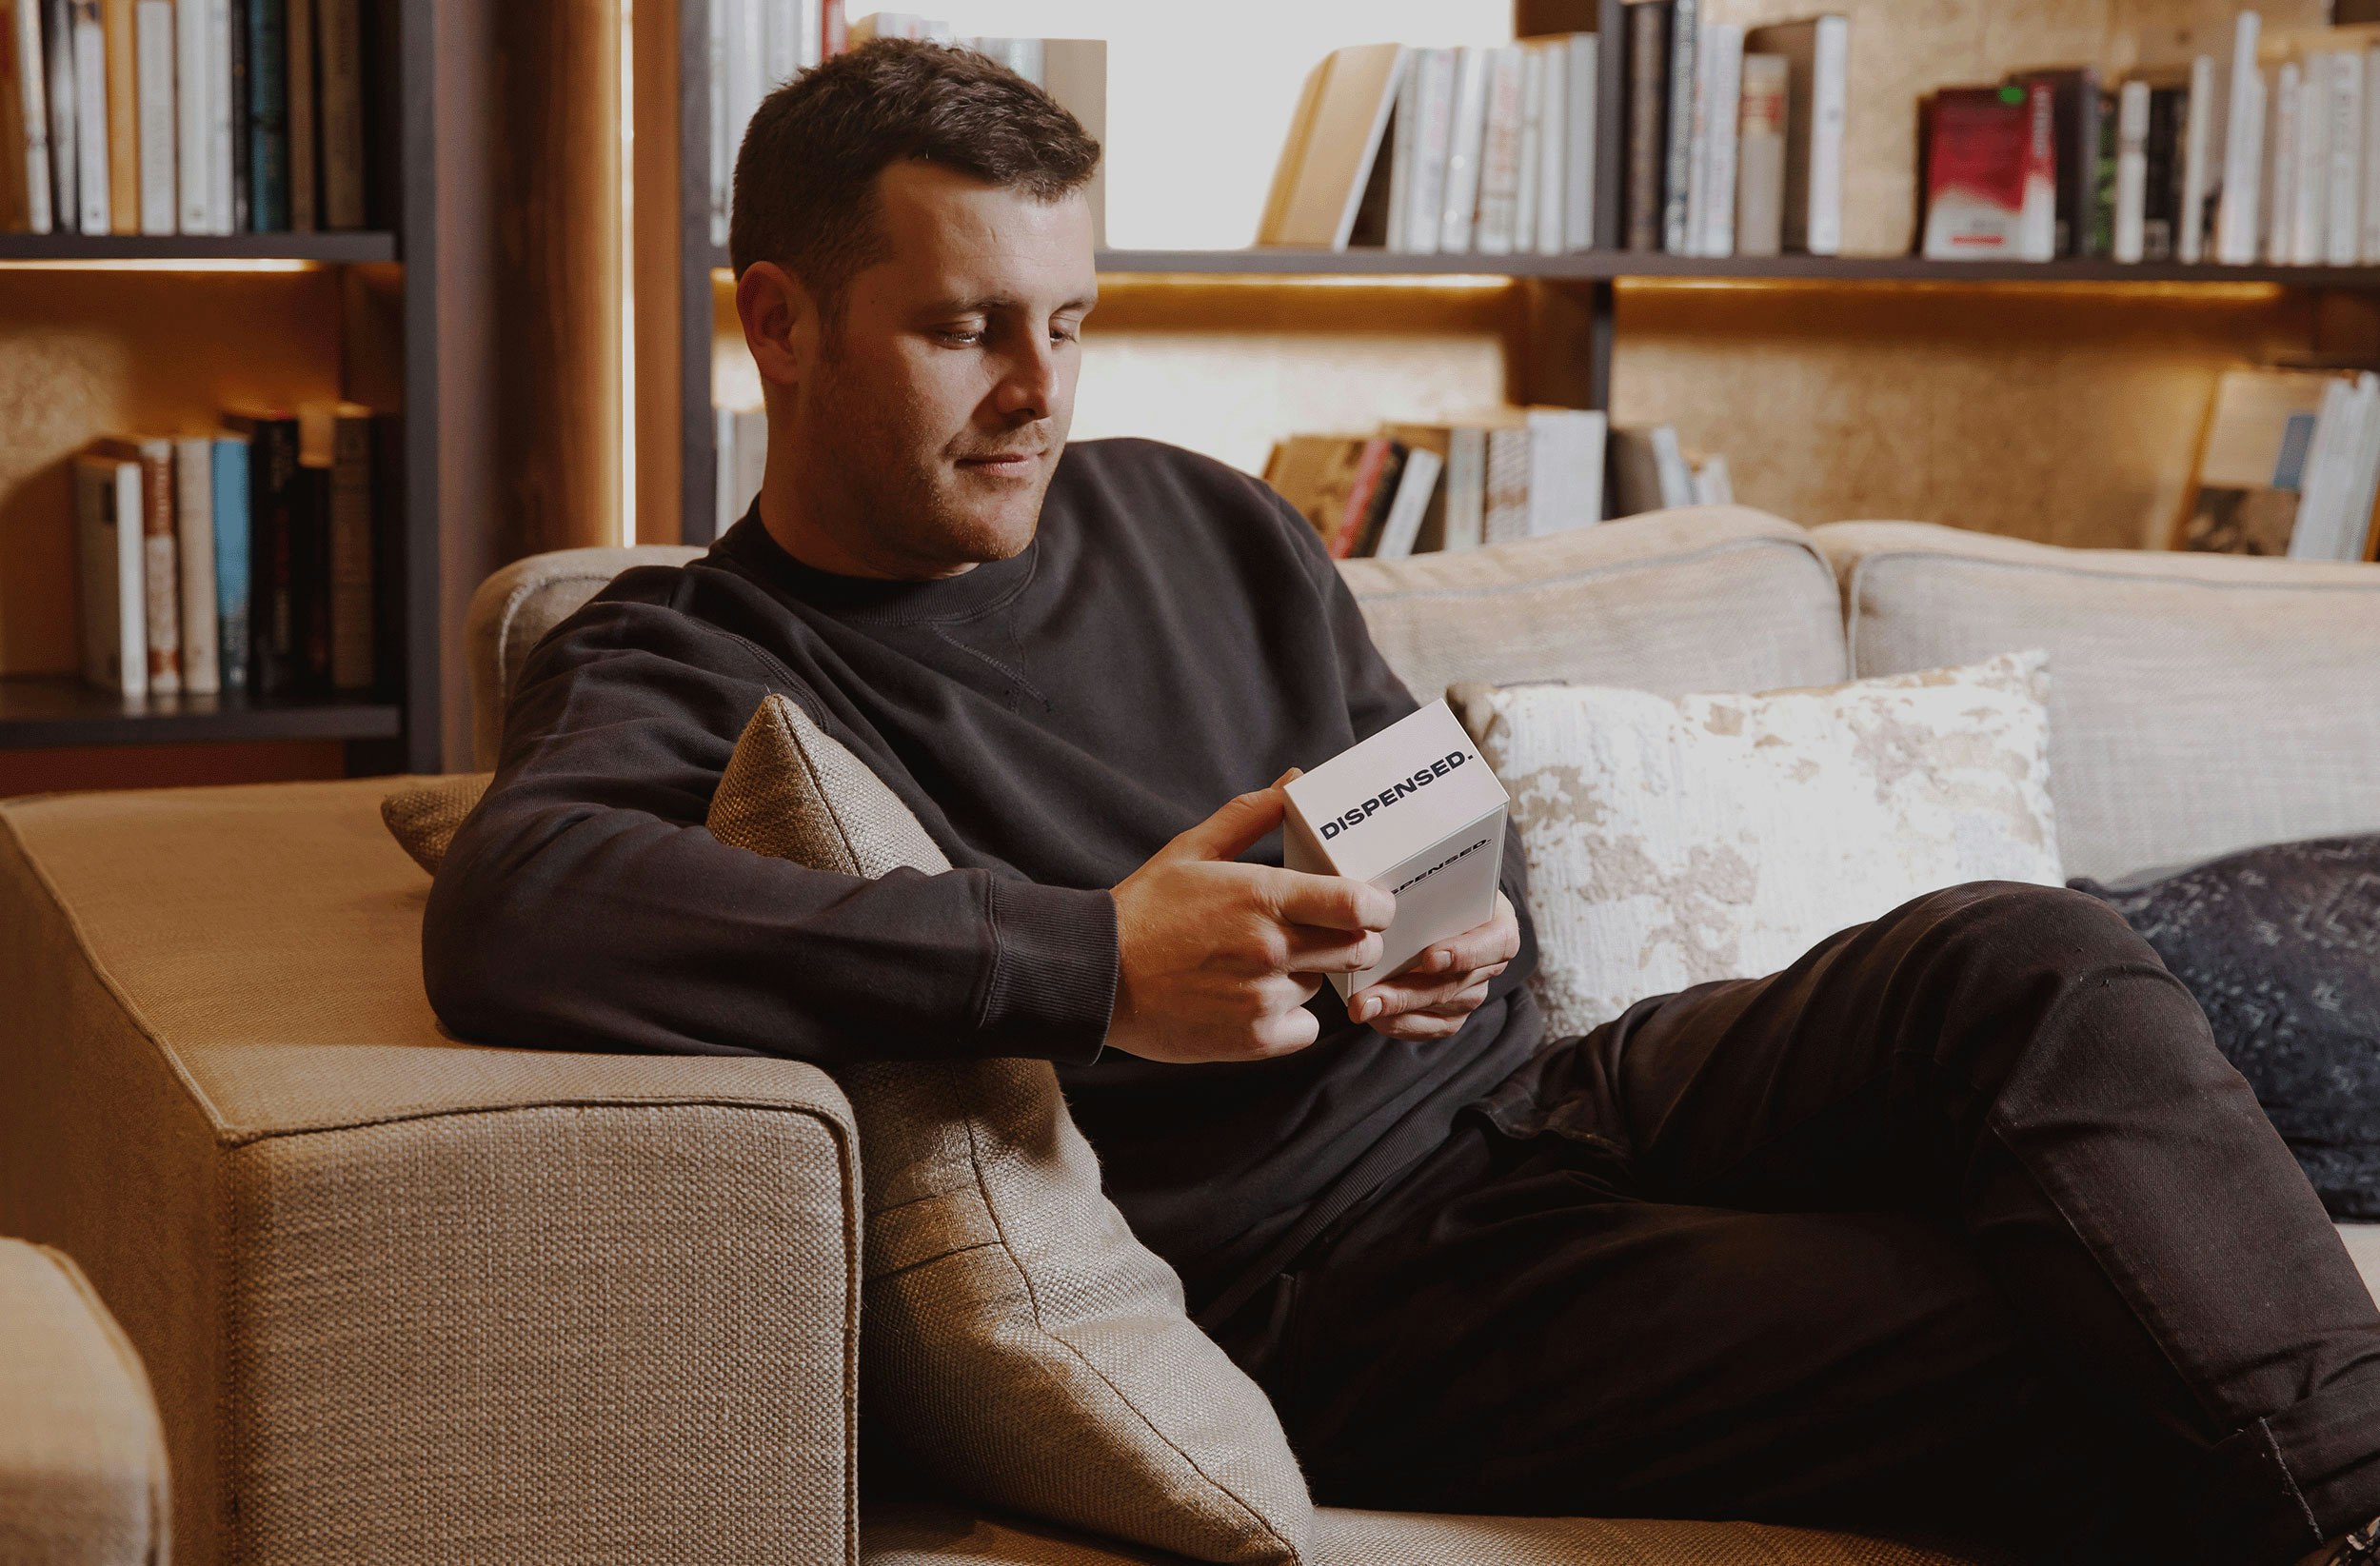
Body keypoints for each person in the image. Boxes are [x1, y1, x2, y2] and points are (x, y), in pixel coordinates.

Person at [423, 39, 2380, 1566]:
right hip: (1353, 1279)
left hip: (1556, 1092)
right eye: (964, 329)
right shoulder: (685, 650)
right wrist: (1091, 957)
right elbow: (525, 907)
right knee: (2056, 1319)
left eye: (1070, 318)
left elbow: (1406, 772)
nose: (1041, 390)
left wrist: (1453, 902)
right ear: (778, 322)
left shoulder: (1187, 508)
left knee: (2032, 954)